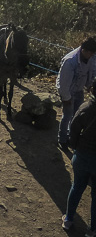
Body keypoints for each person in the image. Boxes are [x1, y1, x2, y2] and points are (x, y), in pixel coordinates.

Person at [62, 82, 96, 233]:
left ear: (92, 89)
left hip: (82, 155)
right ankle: (92, 229)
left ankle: (68, 219)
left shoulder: (85, 108)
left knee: (76, 187)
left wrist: (75, 147)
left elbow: (73, 129)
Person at [58, 38, 96, 150]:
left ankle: (71, 137)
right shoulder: (70, 61)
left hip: (79, 90)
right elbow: (63, 83)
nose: (92, 55)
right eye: (91, 53)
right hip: (68, 90)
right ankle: (62, 139)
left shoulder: (91, 57)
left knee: (76, 115)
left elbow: (92, 69)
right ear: (84, 50)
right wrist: (66, 98)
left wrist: (90, 84)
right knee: (67, 115)